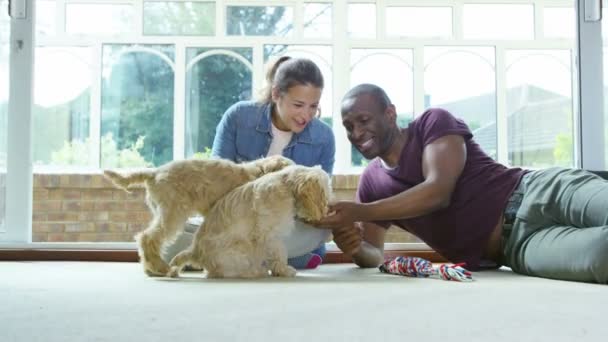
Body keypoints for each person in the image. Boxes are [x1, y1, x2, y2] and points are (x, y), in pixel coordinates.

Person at [319, 83, 608, 284]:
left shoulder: (433, 123)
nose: (356, 132)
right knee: (600, 257)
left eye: (363, 120)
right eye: (348, 126)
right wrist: (356, 248)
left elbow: (438, 192)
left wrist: (360, 211)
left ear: (390, 114)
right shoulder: (372, 182)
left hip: (540, 191)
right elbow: (374, 254)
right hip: (519, 247)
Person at [208, 56, 335, 269]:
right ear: (276, 93)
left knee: (311, 237)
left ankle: (259, 256)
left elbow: (317, 202)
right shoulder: (239, 117)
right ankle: (271, 257)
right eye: (298, 105)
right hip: (237, 218)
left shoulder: (323, 137)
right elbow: (216, 180)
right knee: (189, 229)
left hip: (288, 225)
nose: (306, 115)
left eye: (313, 106)